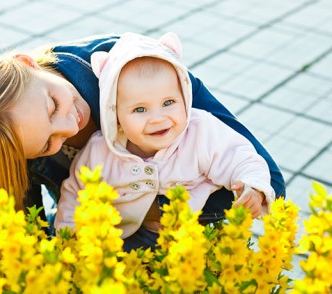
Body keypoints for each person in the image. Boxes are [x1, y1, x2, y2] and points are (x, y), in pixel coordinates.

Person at [0, 32, 285, 254]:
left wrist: (158, 211)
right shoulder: (9, 144)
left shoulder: (140, 71)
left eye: (53, 105)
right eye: (48, 144)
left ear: (26, 63)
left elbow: (269, 179)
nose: (70, 124)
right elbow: (32, 236)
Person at [54, 32, 275, 250]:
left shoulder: (200, 132)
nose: (158, 118)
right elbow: (75, 193)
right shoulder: (100, 151)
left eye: (169, 102)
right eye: (140, 109)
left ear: (185, 97)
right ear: (115, 115)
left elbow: (239, 156)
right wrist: (69, 237)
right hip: (119, 242)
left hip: (191, 236)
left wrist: (253, 186)